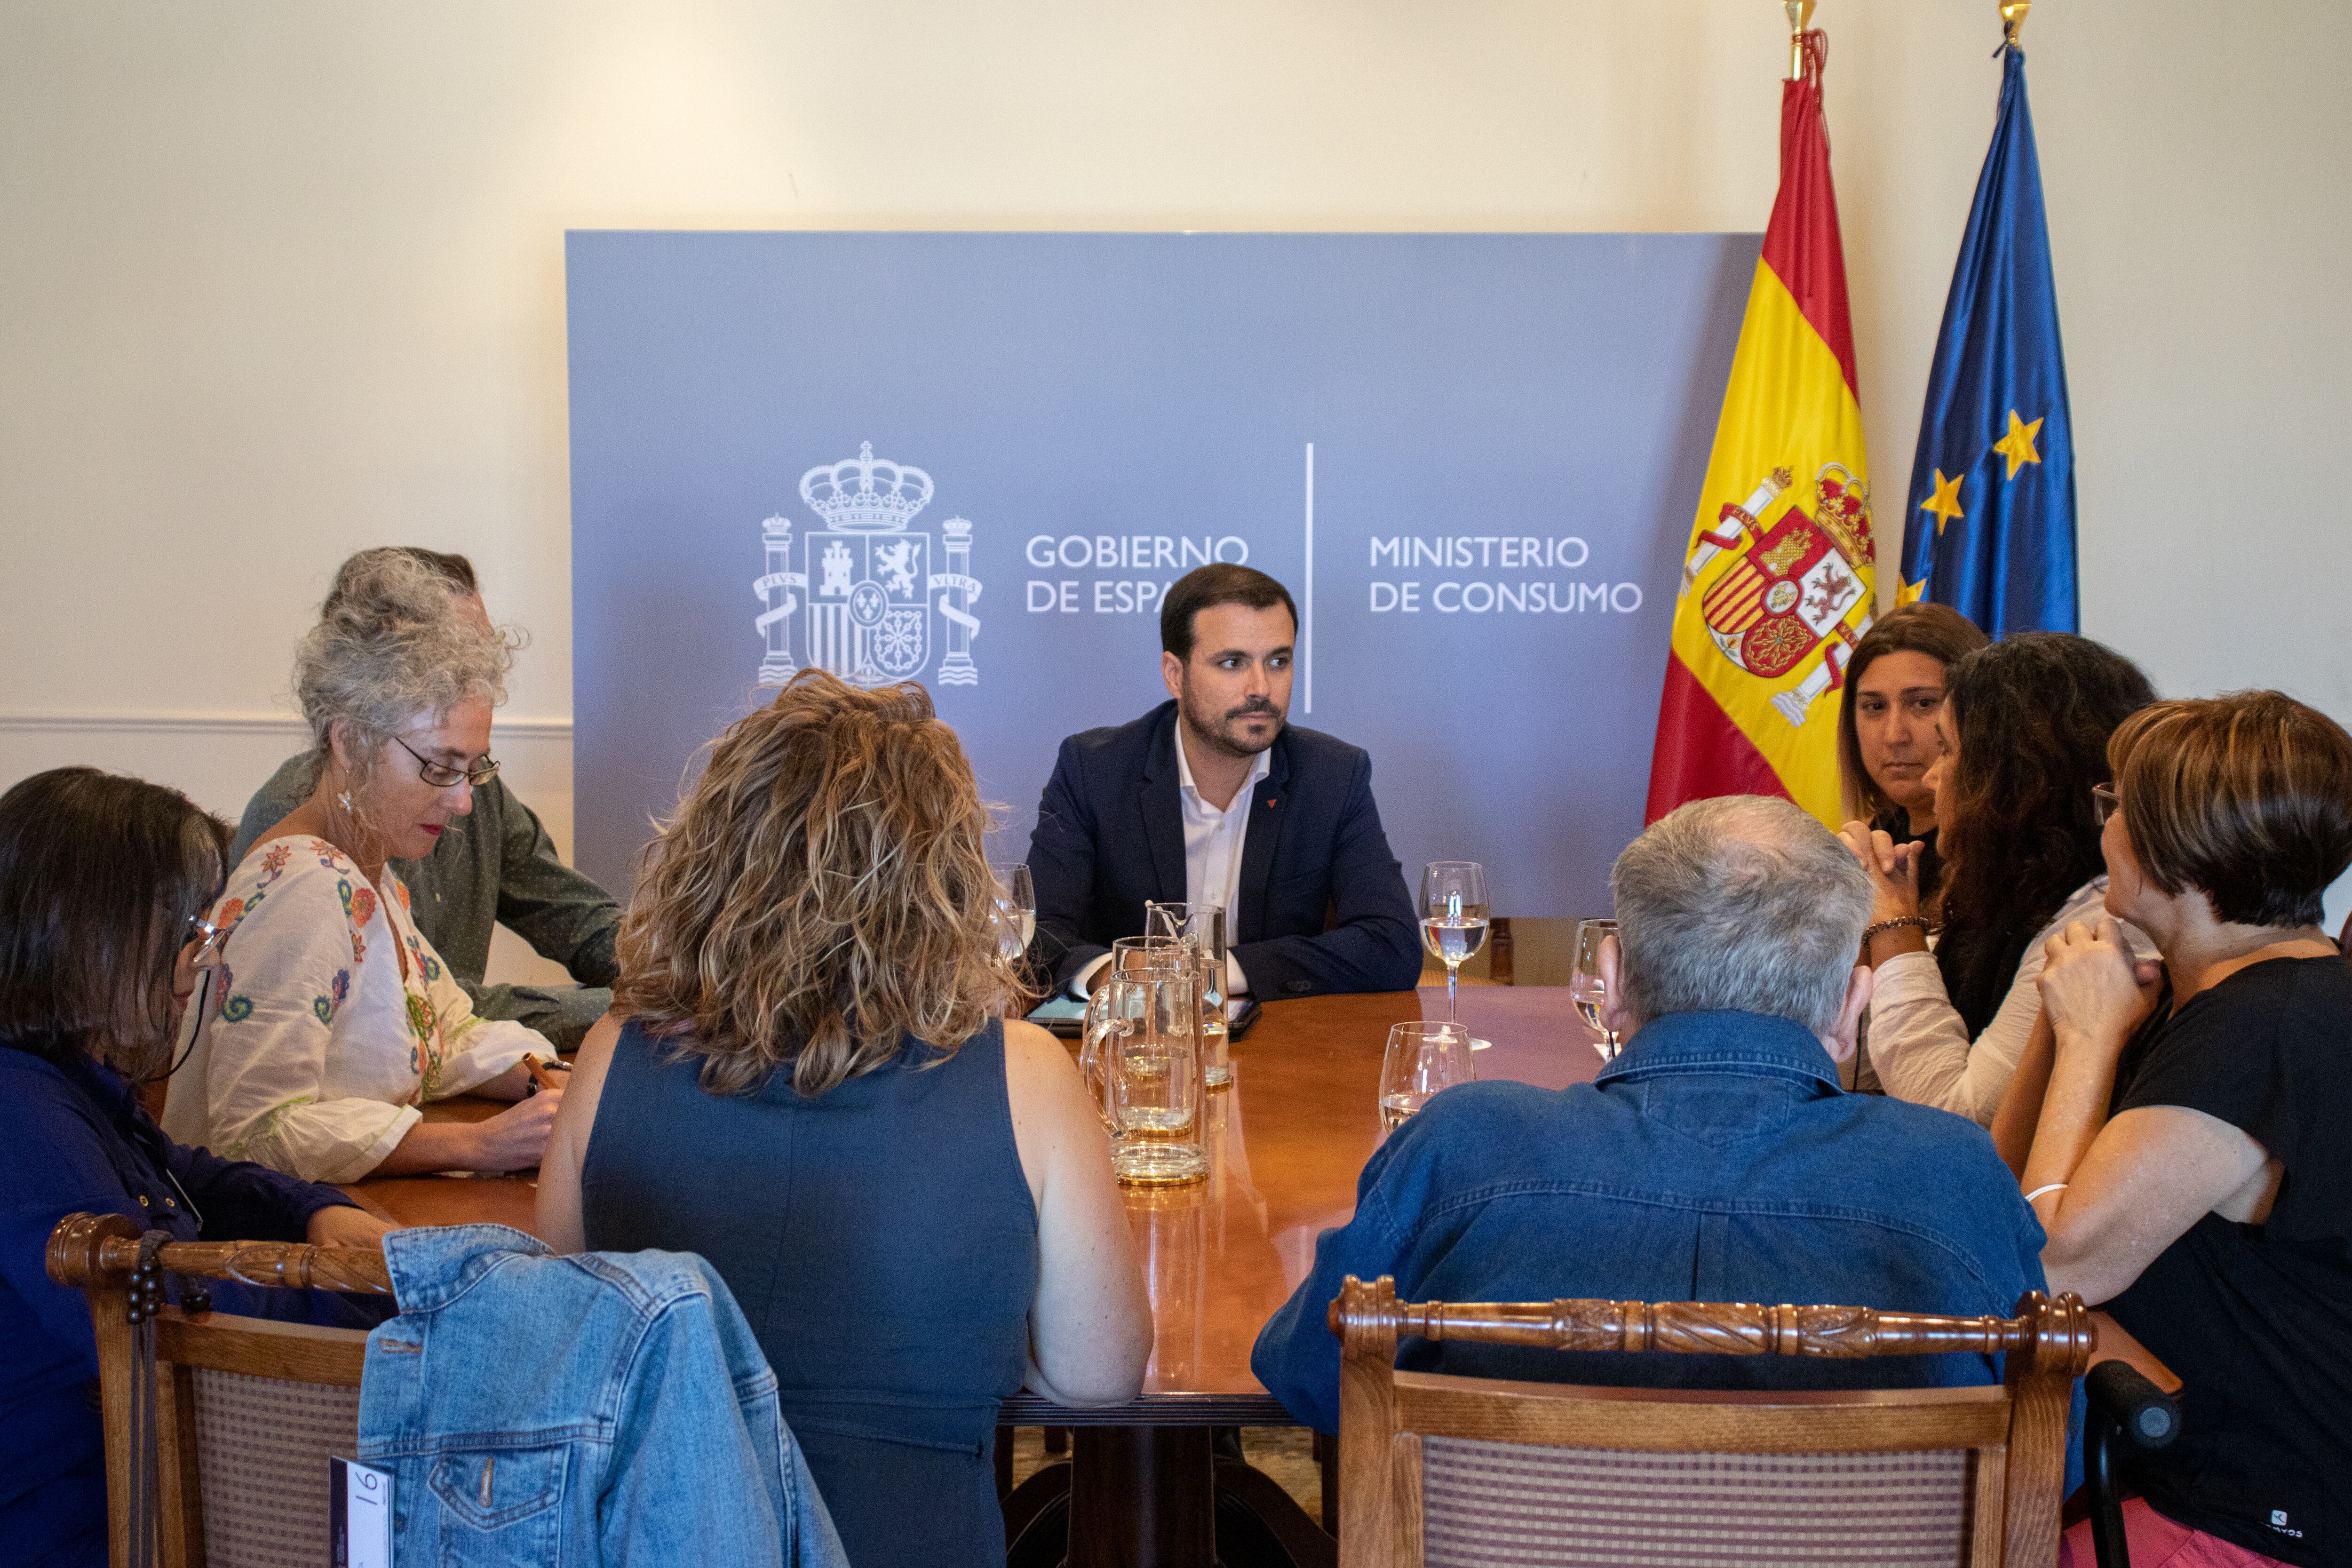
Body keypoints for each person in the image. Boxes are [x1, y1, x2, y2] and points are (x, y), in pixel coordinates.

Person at [536, 671, 1152, 1568]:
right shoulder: (1022, 1072)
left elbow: (568, 1338)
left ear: (715, 852)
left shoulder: (611, 1054)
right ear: (939, 870)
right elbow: (1098, 1377)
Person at [1253, 795, 2058, 1432]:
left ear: (1609, 977)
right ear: (1855, 1005)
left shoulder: (1464, 1144)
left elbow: (1311, 1378)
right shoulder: (1953, 1174)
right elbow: (2048, 1452)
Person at [0, 768, 395, 1568]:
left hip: (167, 1475)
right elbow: (164, 1307)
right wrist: (377, 1299)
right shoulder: (20, 1113)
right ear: (94, 936)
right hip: (107, 1523)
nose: (203, 960)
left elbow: (188, 1174)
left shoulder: (63, 1078)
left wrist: (314, 1210)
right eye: (190, 933)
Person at [1996, 692, 2352, 1568]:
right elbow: (1996, 1192)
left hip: (2247, 1515)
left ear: (2173, 848)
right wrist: (2063, 1020)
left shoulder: (2262, 1028)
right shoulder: (2233, 996)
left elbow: (2047, 1264)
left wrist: (2087, 1037)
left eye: (2116, 804)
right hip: (2179, 1475)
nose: (2104, 825)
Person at [164, 551, 561, 1182]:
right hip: (277, 1250)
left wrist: (549, 1085)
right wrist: (477, 1146)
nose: (462, 799)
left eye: (475, 769)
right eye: (438, 766)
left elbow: (443, 1030)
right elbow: (253, 1132)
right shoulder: (306, 887)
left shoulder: (366, 873)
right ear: (349, 740)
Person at [231, 548, 621, 1050]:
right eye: (454, 655)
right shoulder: (303, 856)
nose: (462, 800)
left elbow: (571, 917)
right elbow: (262, 1121)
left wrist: (683, 974)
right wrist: (628, 1009)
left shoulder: (460, 789)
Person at [1026, 563, 1420, 1001]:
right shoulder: (1093, 770)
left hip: (1281, 1050)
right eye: (1232, 663)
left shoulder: (1333, 776)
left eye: (1279, 661)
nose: (1261, 687)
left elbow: (1392, 944)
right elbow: (1037, 937)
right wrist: (1118, 974)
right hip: (1134, 1048)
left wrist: (1217, 972)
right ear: (1175, 674)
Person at [1840, 632, 2155, 1125]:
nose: (1930, 778)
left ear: (2013, 778)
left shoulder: (2102, 923)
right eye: (1873, 707)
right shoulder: (2009, 891)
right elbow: (1856, 1072)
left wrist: (1895, 929)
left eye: (1945, 751)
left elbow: (1954, 1117)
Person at [1835, 602, 1988, 897]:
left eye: (1923, 703)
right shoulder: (1871, 840)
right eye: (1875, 707)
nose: (1895, 736)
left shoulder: (2000, 859)